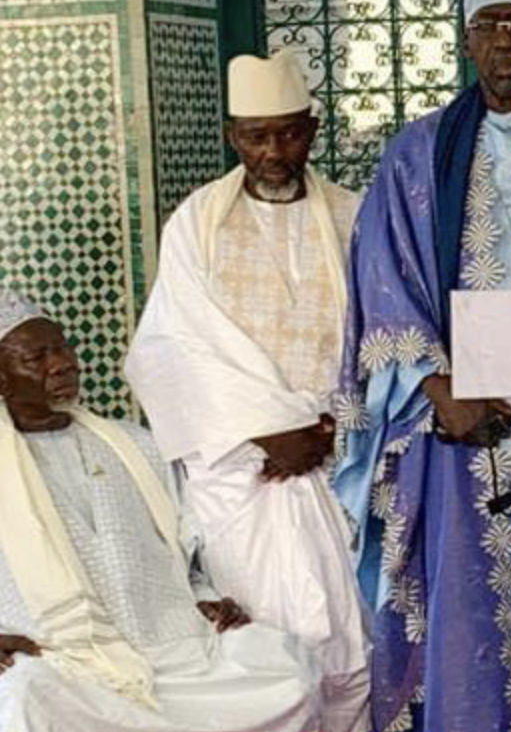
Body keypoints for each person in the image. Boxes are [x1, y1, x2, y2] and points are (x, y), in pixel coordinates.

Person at [331, 0, 511, 732]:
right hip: (466, 434)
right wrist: (441, 392)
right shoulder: (418, 154)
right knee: (475, 620)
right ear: (468, 42)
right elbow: (384, 279)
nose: (504, 42)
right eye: (488, 27)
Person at [126, 51, 370, 732]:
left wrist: (324, 436)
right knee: (262, 653)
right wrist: (269, 431)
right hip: (241, 472)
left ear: (314, 129)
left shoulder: (355, 217)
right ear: (233, 136)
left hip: (336, 464)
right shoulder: (195, 224)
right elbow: (172, 351)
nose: (274, 151)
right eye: (257, 136)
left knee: (352, 651)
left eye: (289, 133)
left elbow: (384, 338)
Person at [0, 293, 322, 732]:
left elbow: (184, 548)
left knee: (288, 671)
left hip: (173, 648)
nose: (62, 364)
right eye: (36, 357)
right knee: (25, 700)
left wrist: (205, 596)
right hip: (66, 662)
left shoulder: (138, 445)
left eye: (62, 348)